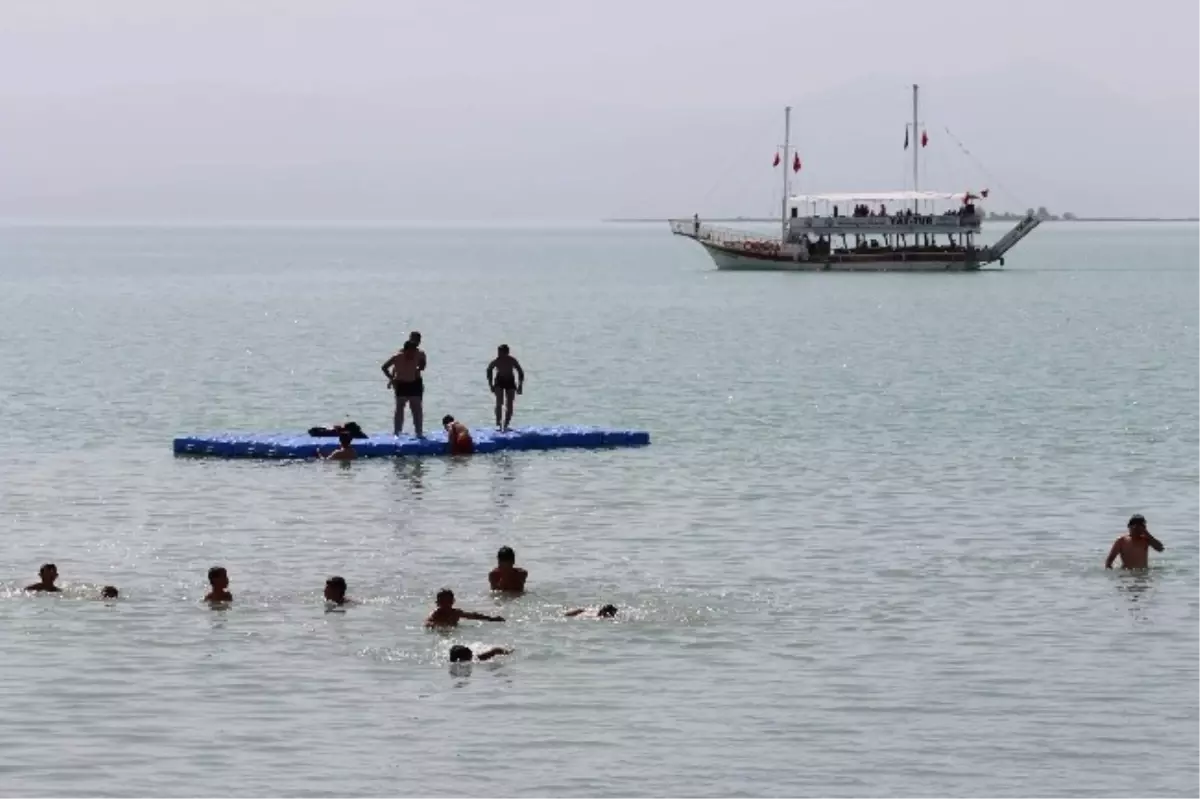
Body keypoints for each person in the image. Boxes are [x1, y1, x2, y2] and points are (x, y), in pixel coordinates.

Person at [382, 340, 424, 437]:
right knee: (399, 409)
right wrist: (391, 379)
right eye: (411, 351)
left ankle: (419, 432)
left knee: (417, 409)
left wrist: (418, 370)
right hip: (401, 385)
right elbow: (384, 367)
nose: (413, 353)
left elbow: (422, 365)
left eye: (414, 351)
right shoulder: (397, 357)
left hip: (413, 384)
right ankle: (397, 432)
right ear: (406, 350)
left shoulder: (417, 356)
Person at [486, 344, 525, 431]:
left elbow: (520, 372)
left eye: (500, 352)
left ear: (506, 353)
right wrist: (491, 384)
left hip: (510, 381)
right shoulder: (497, 361)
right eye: (498, 352)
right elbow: (489, 370)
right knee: (499, 402)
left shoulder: (512, 360)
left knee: (510, 404)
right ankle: (498, 423)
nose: (499, 354)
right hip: (499, 381)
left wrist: (520, 385)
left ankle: (506, 424)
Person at [425, 588, 504, 628]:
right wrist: (438, 625)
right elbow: (427, 623)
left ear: (453, 601)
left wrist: (492, 619)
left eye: (448, 601)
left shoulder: (456, 613)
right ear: (437, 603)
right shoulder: (436, 614)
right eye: (442, 602)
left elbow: (474, 616)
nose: (445, 604)